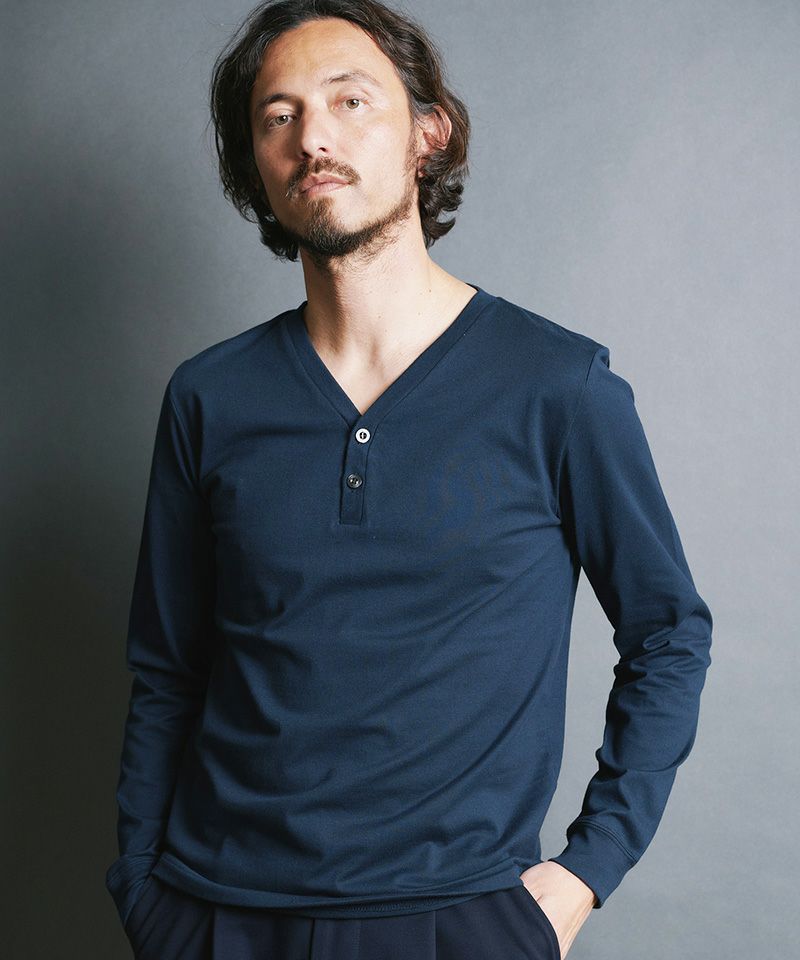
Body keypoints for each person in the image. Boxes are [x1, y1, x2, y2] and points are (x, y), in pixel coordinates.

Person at [105, 1, 714, 957]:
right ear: (256, 165)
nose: (313, 138)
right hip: (214, 912)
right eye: (278, 116)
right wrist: (143, 891)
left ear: (429, 134)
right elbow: (167, 669)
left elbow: (669, 633)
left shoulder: (558, 386)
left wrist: (585, 873)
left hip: (457, 921)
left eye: (350, 101)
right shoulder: (209, 397)